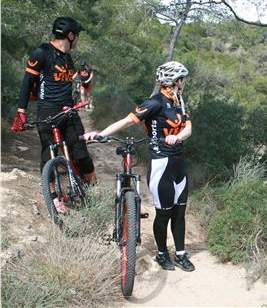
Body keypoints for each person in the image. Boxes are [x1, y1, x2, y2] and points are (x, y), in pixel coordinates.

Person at [82, 61, 195, 272]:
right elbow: (127, 121)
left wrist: (178, 137)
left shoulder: (179, 102)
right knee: (164, 213)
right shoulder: (155, 102)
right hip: (162, 163)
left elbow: (188, 128)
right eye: (183, 79)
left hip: (180, 164)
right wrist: (99, 135)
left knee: (180, 212)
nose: (184, 83)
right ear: (177, 81)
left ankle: (180, 254)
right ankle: (162, 254)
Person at [11, 17, 97, 212]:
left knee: (82, 154)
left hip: (69, 110)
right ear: (71, 35)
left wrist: (83, 78)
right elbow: (27, 81)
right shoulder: (41, 52)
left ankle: (93, 192)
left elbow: (66, 78)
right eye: (78, 36)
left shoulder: (67, 57)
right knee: (48, 154)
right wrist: (21, 111)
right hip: (47, 110)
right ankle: (53, 198)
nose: (78, 40)